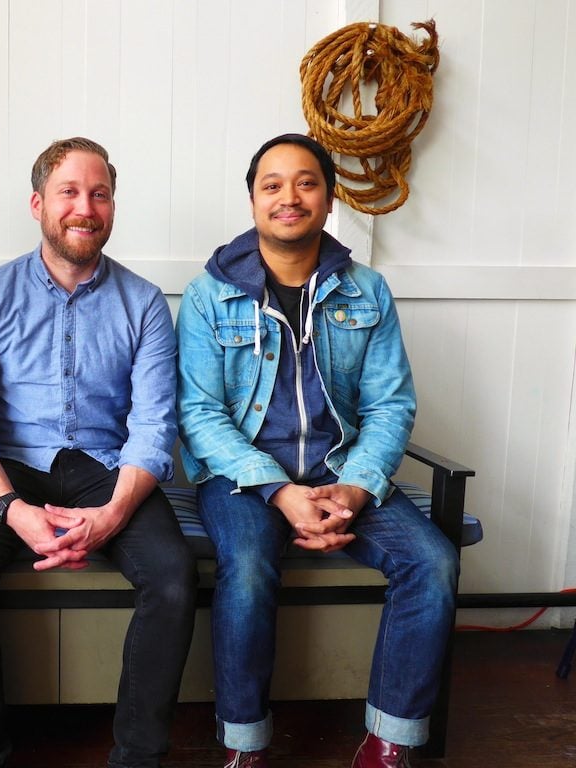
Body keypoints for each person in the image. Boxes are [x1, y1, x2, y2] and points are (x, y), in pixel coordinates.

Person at [175, 133, 459, 768]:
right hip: (243, 479)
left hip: (342, 472)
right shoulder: (207, 295)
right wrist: (279, 491)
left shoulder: (366, 291)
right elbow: (199, 414)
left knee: (432, 563)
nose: (288, 197)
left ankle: (390, 743)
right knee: (246, 570)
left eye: (306, 182)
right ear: (252, 201)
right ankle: (245, 747)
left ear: (329, 198)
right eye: (271, 185)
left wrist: (356, 490)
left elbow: (391, 405)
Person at [0, 137, 197, 768]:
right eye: (69, 192)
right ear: (37, 204)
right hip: (11, 466)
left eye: (100, 193)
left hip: (106, 469)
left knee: (173, 577)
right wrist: (15, 511)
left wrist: (111, 514)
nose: (86, 206)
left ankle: (137, 757)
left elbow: (155, 426)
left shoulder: (145, 305)